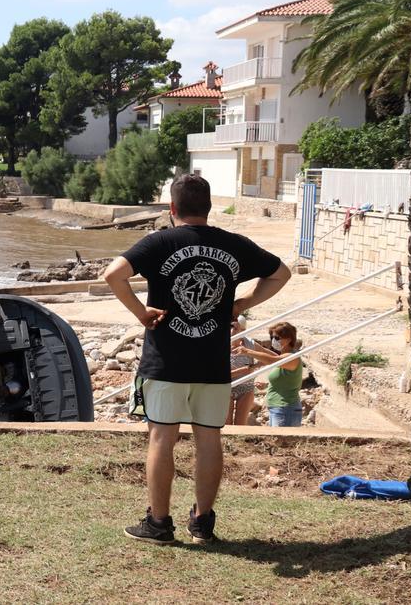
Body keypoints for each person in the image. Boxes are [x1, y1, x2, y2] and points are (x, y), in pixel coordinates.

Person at [103, 174, 290, 545]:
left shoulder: (159, 242)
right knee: (209, 439)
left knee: (161, 437)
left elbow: (112, 275)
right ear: (208, 207)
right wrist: (243, 303)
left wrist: (141, 314)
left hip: (165, 362)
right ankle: (202, 523)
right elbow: (280, 273)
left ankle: (159, 523)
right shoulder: (233, 245)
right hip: (212, 363)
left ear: (172, 209)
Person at [239, 322, 304, 427]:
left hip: (285, 409)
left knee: (282, 442)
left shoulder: (292, 357)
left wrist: (247, 351)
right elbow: (288, 381)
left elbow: (272, 360)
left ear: (288, 339)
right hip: (278, 409)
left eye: (277, 338)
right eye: (272, 337)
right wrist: (267, 386)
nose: (274, 341)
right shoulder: (284, 357)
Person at [226, 317, 258, 426]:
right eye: (230, 327)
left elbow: (271, 358)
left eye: (235, 328)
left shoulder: (249, 344)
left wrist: (254, 365)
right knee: (227, 423)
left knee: (241, 424)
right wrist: (243, 370)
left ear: (243, 330)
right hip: (227, 386)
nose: (231, 331)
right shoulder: (219, 345)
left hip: (246, 387)